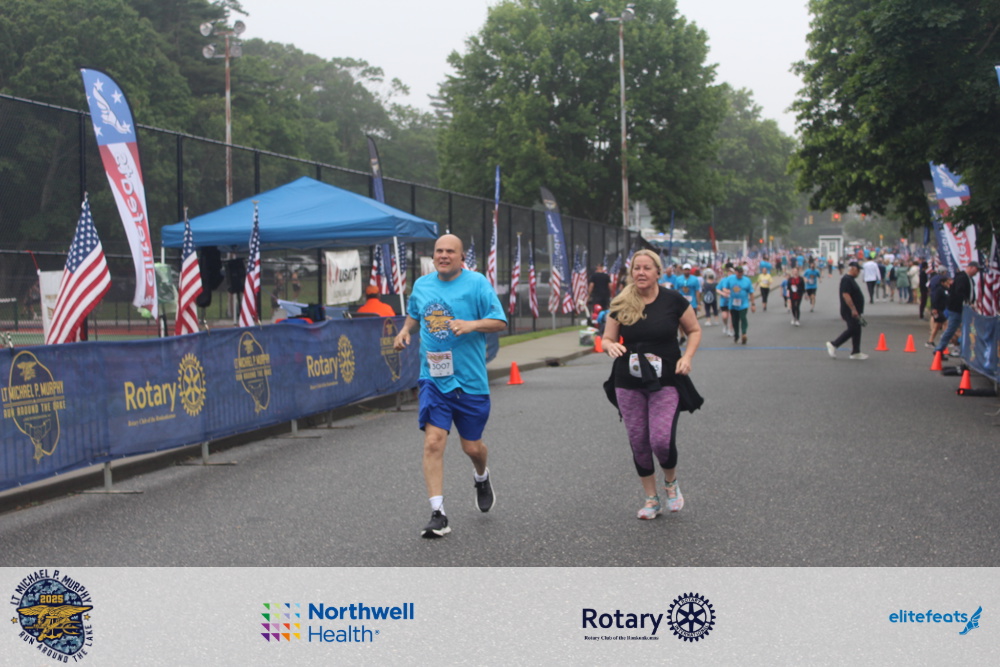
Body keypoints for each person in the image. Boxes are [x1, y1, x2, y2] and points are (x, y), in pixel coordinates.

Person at [392, 234, 507, 538]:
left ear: (461, 257)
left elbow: (499, 321)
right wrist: (405, 331)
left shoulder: (477, 284)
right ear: (434, 256)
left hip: (470, 380)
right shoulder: (422, 285)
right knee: (433, 441)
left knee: (472, 447)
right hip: (434, 378)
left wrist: (472, 324)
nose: (443, 256)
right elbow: (415, 314)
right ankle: (438, 513)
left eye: (450, 252)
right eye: (439, 251)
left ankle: (481, 475)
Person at [601, 249, 701, 520]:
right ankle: (651, 499)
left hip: (666, 380)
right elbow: (607, 338)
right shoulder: (622, 301)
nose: (641, 273)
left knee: (660, 440)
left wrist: (687, 357)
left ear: (658, 272)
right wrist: (610, 346)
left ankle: (671, 482)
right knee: (639, 441)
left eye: (647, 268)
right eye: (637, 268)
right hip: (627, 380)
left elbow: (694, 330)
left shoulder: (673, 300)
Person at [934, 261, 979, 361]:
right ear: (971, 268)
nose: (977, 272)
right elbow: (959, 292)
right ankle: (939, 349)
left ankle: (959, 348)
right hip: (957, 308)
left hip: (962, 308)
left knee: (961, 329)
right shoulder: (962, 278)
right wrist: (967, 301)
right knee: (952, 329)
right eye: (976, 269)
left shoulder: (968, 278)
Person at [825, 261, 868, 360]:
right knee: (852, 329)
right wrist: (853, 309)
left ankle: (856, 352)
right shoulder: (846, 280)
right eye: (858, 270)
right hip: (849, 310)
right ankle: (834, 344)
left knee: (857, 329)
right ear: (853, 269)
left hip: (854, 310)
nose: (858, 273)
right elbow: (846, 295)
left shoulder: (850, 279)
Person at [720, 265, 755, 344]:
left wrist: (753, 304)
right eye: (738, 272)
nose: (740, 274)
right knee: (734, 321)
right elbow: (724, 288)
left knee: (743, 318)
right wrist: (726, 291)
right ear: (735, 272)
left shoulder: (747, 280)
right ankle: (736, 335)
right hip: (733, 304)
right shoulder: (730, 279)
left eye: (741, 272)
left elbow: (751, 292)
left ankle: (744, 333)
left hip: (743, 304)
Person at [927, 273, 951, 349]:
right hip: (938, 310)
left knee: (937, 327)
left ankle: (930, 341)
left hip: (941, 309)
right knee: (945, 324)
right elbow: (935, 299)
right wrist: (934, 308)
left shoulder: (945, 289)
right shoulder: (939, 290)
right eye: (947, 282)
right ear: (943, 282)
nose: (948, 284)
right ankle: (946, 339)